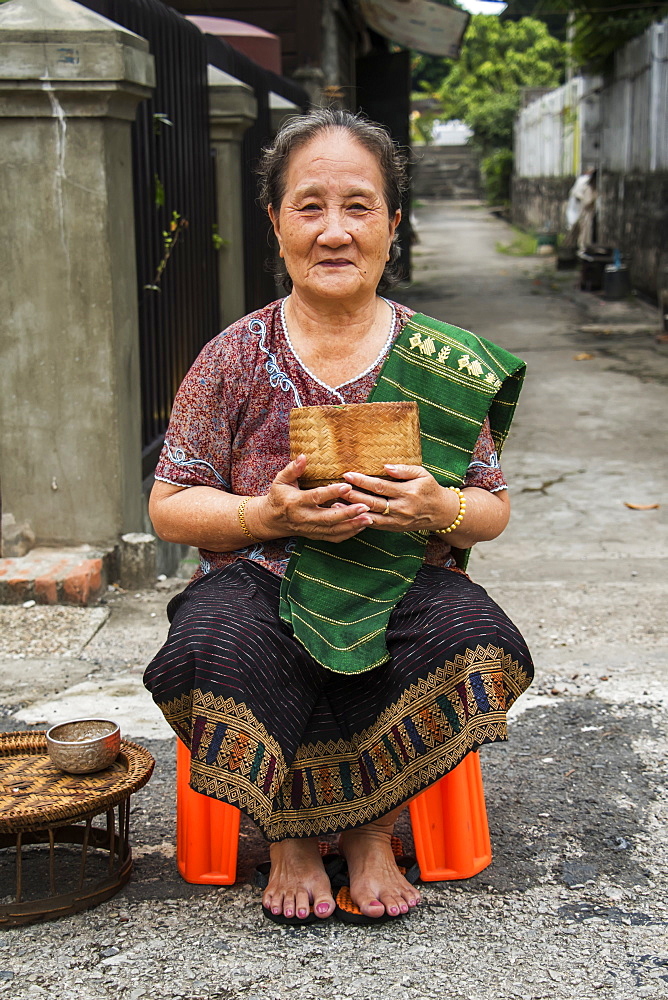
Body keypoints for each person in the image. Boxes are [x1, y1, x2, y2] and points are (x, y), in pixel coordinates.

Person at [144, 109, 533, 926]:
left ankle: (370, 830)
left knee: (475, 639)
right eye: (308, 205)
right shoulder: (233, 356)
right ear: (275, 221)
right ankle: (288, 833)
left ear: (393, 224)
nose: (334, 231)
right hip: (260, 579)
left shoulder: (444, 359)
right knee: (215, 640)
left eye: (358, 206)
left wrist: (440, 506)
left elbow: (491, 509)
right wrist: (265, 514)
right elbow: (170, 505)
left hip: (400, 581)